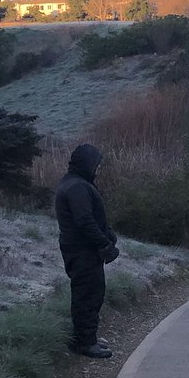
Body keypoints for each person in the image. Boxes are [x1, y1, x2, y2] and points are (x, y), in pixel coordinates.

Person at [54, 144, 119, 358]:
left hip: (82, 249)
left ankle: (87, 336)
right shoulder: (76, 187)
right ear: (86, 163)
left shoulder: (77, 183)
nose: (98, 169)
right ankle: (84, 342)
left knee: (92, 292)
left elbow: (92, 217)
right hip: (82, 250)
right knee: (87, 295)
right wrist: (104, 244)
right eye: (96, 164)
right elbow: (84, 221)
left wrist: (108, 235)